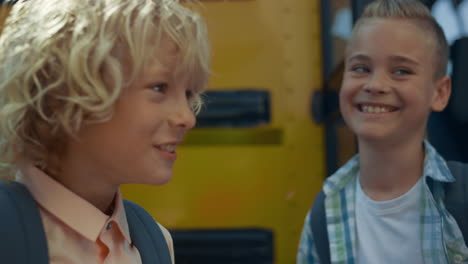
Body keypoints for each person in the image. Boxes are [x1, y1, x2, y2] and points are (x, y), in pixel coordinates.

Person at [0, 0, 210, 263]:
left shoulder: (155, 242)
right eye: (159, 88)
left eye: (188, 93)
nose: (187, 117)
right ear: (65, 92)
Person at [297, 0, 468, 263]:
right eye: (360, 68)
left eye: (401, 71)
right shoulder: (324, 212)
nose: (375, 84)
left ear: (440, 92)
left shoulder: (462, 198)